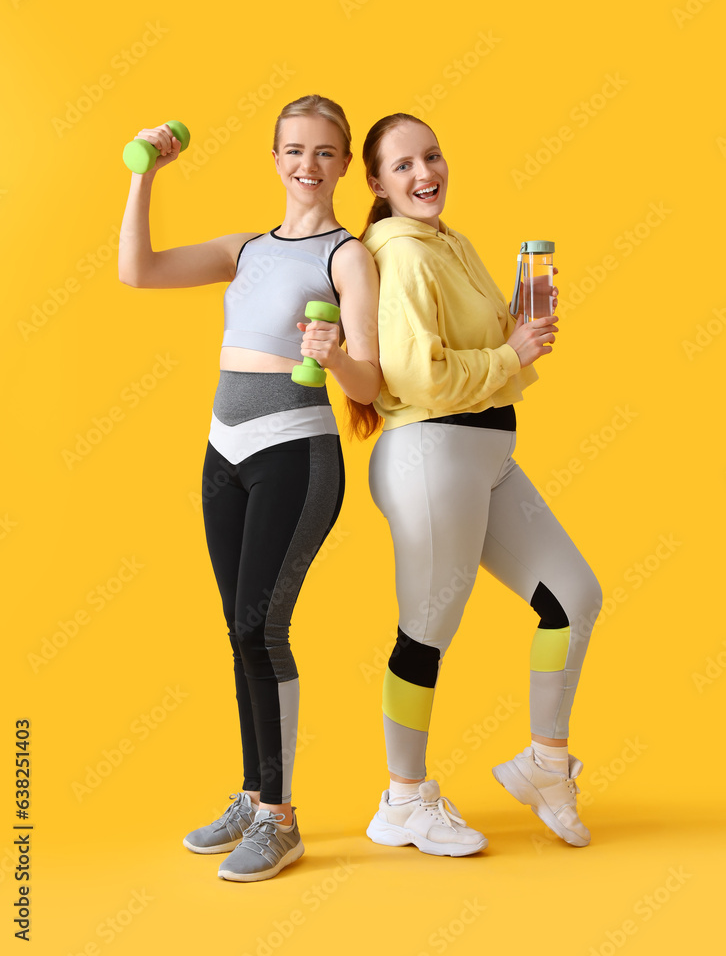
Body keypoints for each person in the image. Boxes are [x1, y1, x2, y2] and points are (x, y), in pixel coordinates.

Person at [118, 95, 381, 881]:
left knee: (260, 629)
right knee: (238, 628)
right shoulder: (245, 249)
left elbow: (368, 380)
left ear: (342, 164)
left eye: (326, 152)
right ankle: (251, 791)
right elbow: (140, 270)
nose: (309, 165)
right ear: (274, 159)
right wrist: (145, 176)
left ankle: (279, 816)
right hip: (222, 452)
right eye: (295, 150)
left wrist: (333, 356)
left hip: (296, 454)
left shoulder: (348, 257)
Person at [356, 113, 602, 856]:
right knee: (426, 632)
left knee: (574, 597)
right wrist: (509, 354)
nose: (424, 172)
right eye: (402, 166)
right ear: (376, 183)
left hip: (483, 453)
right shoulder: (398, 253)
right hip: (431, 455)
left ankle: (545, 765)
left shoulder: (447, 241)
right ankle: (403, 798)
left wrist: (519, 338)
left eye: (431, 156)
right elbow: (414, 376)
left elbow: (490, 361)